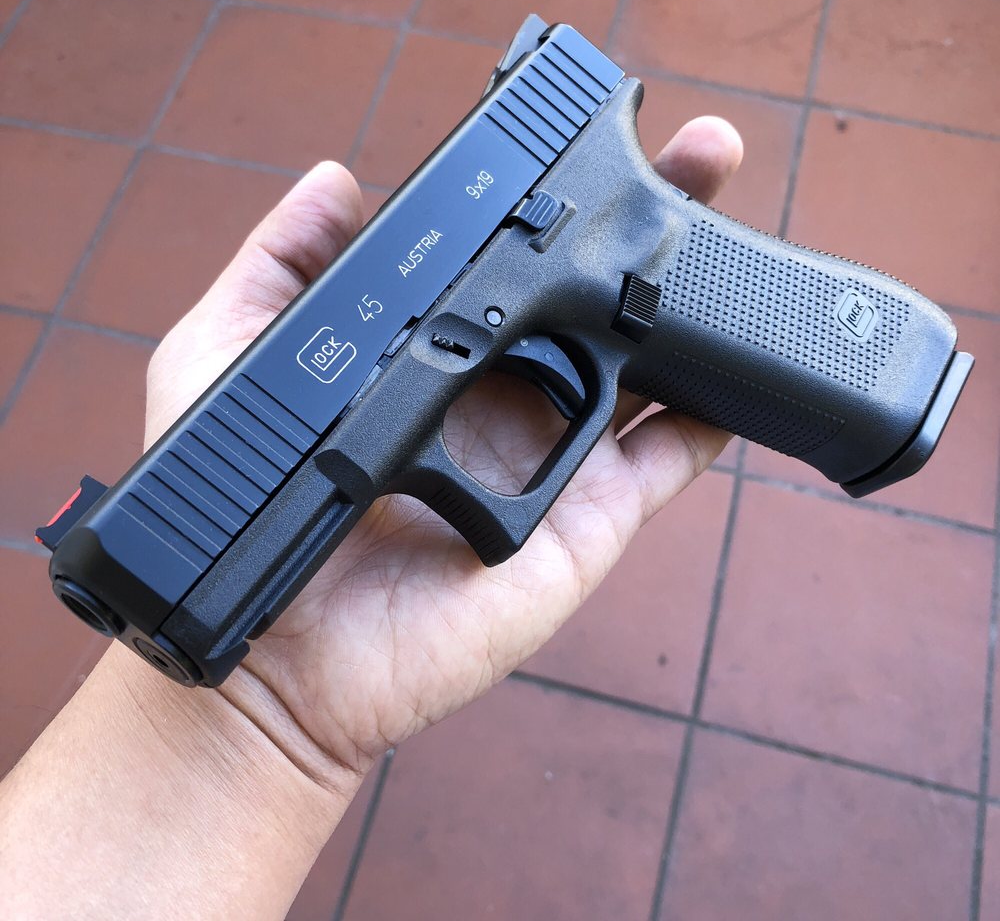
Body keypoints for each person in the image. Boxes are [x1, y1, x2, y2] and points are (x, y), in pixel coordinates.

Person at [0, 116, 743, 919]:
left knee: (809, 350)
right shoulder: (212, 556)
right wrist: (267, 724)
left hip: (527, 192)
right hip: (504, 197)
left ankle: (862, 357)